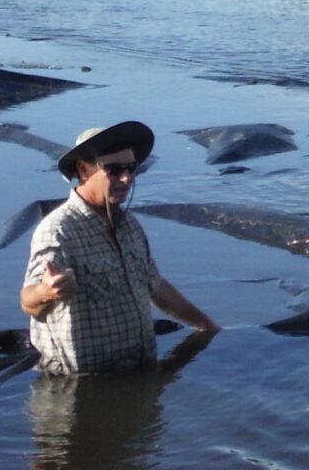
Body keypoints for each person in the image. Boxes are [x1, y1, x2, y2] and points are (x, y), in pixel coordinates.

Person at [20, 121, 217, 375]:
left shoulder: (129, 225)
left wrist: (207, 327)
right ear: (83, 170)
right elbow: (28, 302)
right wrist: (47, 292)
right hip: (80, 388)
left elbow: (154, 286)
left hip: (138, 373)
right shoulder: (58, 231)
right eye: (114, 170)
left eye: (131, 168)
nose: (126, 179)